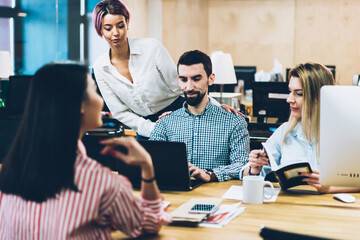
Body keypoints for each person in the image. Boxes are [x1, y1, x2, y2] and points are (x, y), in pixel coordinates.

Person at [0, 62, 170, 239]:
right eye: (94, 91)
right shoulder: (101, 182)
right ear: (80, 104)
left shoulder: (11, 171)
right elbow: (150, 225)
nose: (101, 101)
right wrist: (147, 166)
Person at [92, 0, 238, 138]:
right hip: (143, 126)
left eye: (120, 25)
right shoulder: (100, 67)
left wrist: (216, 107)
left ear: (127, 23)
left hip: (178, 114)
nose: (116, 33)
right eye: (108, 28)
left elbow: (181, 85)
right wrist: (153, 128)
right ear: (100, 29)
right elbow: (120, 112)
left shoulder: (151, 48)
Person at [242, 62, 360, 193]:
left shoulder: (347, 134)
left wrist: (330, 188)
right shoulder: (285, 131)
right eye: (290, 92)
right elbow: (255, 175)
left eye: (298, 94)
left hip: (331, 209)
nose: (289, 99)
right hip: (292, 208)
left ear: (319, 97)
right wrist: (254, 168)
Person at [149, 50, 250, 182]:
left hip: (216, 195)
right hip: (177, 194)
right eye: (184, 79)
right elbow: (149, 162)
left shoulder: (234, 121)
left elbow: (242, 164)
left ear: (211, 78)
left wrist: (211, 174)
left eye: (196, 79)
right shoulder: (166, 122)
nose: (189, 87)